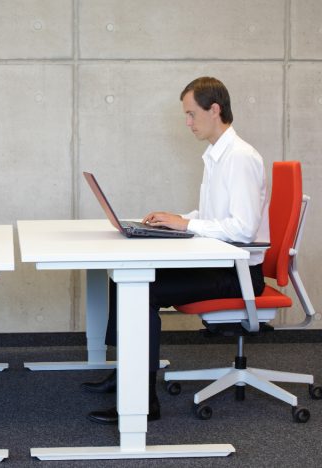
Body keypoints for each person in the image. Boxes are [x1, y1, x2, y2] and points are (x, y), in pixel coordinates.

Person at [83, 77, 270, 424]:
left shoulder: (240, 158)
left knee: (144, 289)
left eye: (191, 114)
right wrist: (177, 219)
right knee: (122, 278)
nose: (187, 123)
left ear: (214, 110)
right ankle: (127, 369)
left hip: (239, 274)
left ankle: (142, 401)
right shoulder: (217, 155)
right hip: (220, 264)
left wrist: (186, 226)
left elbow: (243, 228)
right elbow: (215, 217)